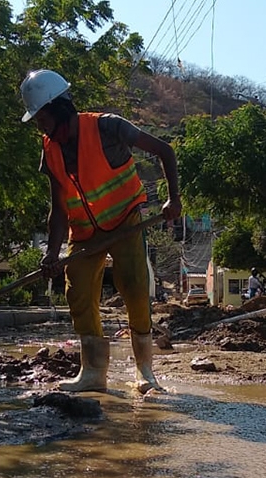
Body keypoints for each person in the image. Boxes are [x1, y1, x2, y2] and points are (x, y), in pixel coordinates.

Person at [21, 69, 182, 394]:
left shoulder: (107, 125)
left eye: (41, 117)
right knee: (78, 291)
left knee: (135, 286)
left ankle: (144, 372)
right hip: (83, 231)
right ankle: (93, 372)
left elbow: (165, 150)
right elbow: (59, 208)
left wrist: (173, 199)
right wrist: (52, 254)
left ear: (58, 107)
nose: (39, 125)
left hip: (125, 220)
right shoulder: (50, 150)